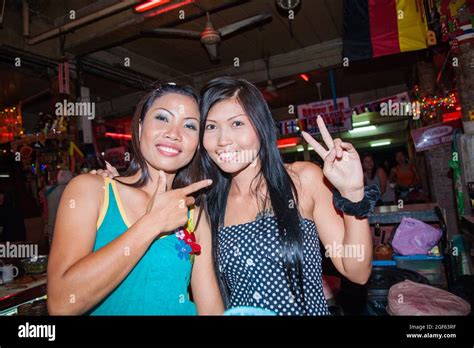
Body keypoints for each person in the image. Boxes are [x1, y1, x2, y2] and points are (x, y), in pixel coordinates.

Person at [198, 77, 379, 315]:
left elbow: (356, 270)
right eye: (211, 127)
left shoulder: (304, 180)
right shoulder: (208, 204)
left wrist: (353, 193)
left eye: (237, 124)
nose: (223, 140)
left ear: (261, 126)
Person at [47, 83, 223, 315]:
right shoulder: (91, 190)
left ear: (197, 143)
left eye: (189, 125)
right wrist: (152, 223)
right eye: (162, 118)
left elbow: (210, 309)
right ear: (140, 129)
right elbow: (61, 305)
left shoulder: (194, 214)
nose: (174, 133)